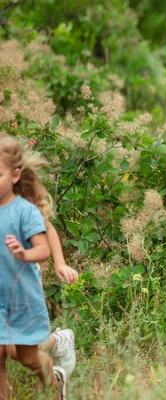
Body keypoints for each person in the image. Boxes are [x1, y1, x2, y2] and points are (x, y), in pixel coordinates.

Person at [0, 136, 67, 399]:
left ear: (16, 175)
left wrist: (23, 253)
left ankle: (53, 382)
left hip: (22, 297)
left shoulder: (24, 211)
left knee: (26, 357)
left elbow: (44, 249)